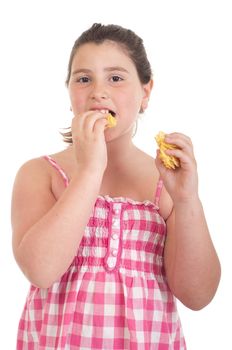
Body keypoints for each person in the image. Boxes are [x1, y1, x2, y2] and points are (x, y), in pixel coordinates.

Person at [11, 23, 221, 349]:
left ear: (145, 93)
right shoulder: (41, 173)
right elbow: (40, 270)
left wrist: (186, 199)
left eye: (116, 78)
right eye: (83, 79)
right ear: (69, 94)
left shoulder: (163, 181)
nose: (98, 91)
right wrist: (90, 169)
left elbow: (198, 295)